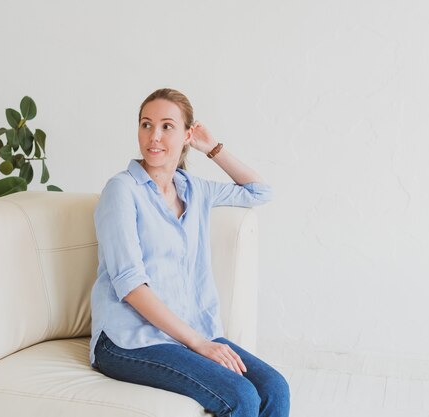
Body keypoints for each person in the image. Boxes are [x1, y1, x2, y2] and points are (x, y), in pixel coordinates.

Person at [89, 88, 290, 417]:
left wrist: (213, 148)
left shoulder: (195, 189)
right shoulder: (122, 190)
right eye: (146, 124)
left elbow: (260, 191)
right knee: (241, 396)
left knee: (274, 389)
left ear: (187, 134)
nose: (154, 136)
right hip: (127, 339)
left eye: (167, 126)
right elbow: (129, 285)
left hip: (186, 333)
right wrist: (199, 343)